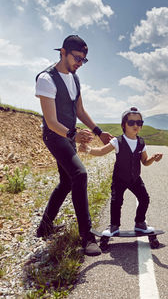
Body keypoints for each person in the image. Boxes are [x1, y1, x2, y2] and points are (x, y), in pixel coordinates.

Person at [35, 35, 112, 256]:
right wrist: (74, 135)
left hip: (68, 136)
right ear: (63, 52)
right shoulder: (46, 79)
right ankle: (86, 236)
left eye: (84, 60)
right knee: (80, 174)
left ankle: (44, 227)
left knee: (67, 182)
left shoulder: (75, 79)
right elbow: (50, 121)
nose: (80, 63)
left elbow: (79, 110)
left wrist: (98, 132)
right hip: (54, 136)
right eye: (77, 58)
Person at [79, 107, 163, 237]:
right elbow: (101, 151)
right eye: (131, 123)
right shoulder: (117, 141)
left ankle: (140, 223)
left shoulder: (141, 142)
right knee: (116, 201)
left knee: (144, 199)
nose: (136, 125)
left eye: (139, 123)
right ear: (124, 125)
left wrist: (153, 158)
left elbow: (145, 161)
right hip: (119, 178)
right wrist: (88, 149)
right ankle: (114, 226)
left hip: (135, 178)